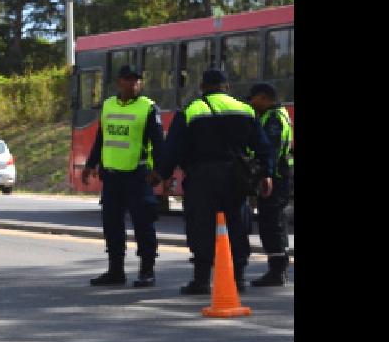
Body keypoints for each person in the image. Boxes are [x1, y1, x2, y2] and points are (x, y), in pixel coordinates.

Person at [156, 68, 274, 294]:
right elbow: (263, 146)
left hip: (201, 177)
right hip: (236, 176)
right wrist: (267, 173)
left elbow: (173, 148)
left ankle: (201, 280)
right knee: (237, 224)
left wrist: (164, 175)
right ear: (227, 86)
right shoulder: (245, 109)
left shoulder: (191, 109)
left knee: (201, 224)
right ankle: (238, 277)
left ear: (202, 87)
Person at [81, 65, 165, 287]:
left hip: (138, 176)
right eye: (130, 80)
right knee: (112, 225)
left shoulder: (148, 108)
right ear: (119, 82)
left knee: (144, 224)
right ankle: (115, 270)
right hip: (111, 177)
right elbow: (101, 138)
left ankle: (147, 270)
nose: (135, 84)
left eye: (138, 80)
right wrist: (90, 165)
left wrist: (160, 171)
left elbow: (158, 143)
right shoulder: (108, 105)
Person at [246, 83, 294, 286]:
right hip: (277, 177)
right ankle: (277, 269)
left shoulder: (274, 119)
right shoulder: (272, 115)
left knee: (272, 223)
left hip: (276, 178)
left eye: (253, 98)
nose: (250, 103)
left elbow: (271, 151)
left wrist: (266, 175)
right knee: (274, 222)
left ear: (264, 97)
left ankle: (277, 271)